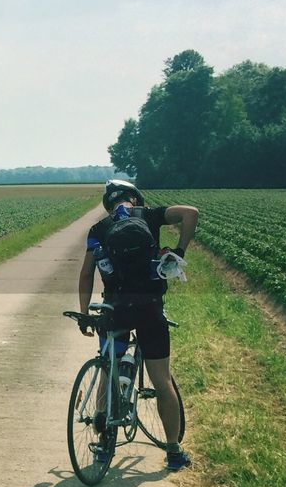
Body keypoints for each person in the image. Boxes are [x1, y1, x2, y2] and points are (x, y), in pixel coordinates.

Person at [77, 179, 198, 472]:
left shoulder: (98, 230)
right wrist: (179, 251)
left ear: (109, 205)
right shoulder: (151, 216)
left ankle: (104, 446)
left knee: (108, 369)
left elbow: (86, 275)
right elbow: (191, 213)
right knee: (162, 381)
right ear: (136, 199)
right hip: (149, 310)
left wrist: (84, 314)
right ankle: (173, 452)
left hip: (114, 310)